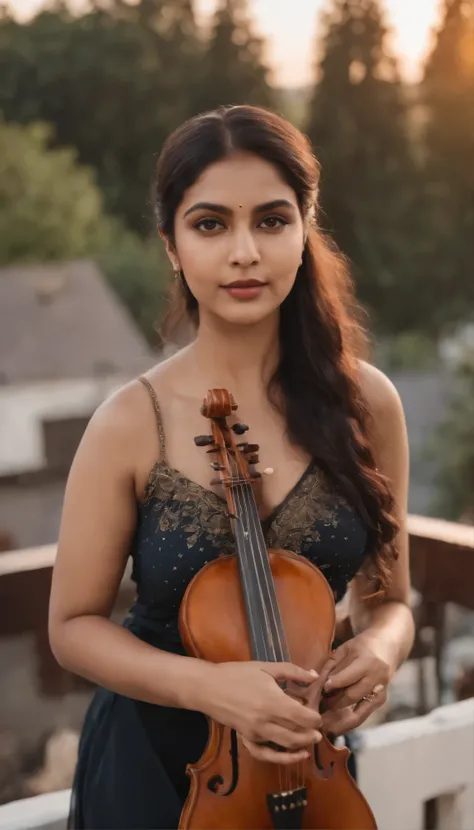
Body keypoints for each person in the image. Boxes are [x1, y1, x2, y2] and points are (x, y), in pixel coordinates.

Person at [48, 104, 415, 829]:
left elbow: (391, 597)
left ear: (306, 232)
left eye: (273, 221)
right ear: (171, 245)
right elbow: (72, 626)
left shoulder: (368, 403)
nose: (245, 251)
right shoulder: (131, 423)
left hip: (309, 769)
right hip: (155, 770)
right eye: (211, 224)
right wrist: (209, 689)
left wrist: (381, 646)